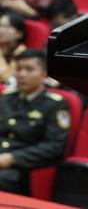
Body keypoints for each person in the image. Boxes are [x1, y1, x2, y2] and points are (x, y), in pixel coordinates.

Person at [0, 50, 70, 194]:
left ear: (44, 73)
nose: (22, 74)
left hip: (21, 168)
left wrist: (12, 158)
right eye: (18, 69)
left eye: (29, 69)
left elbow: (54, 146)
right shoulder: (6, 99)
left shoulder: (54, 105)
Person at [0, 11, 26, 85]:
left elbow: (8, 78)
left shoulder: (23, 53)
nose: (1, 30)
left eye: (6, 27)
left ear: (19, 34)